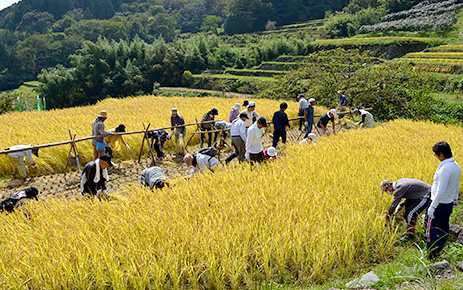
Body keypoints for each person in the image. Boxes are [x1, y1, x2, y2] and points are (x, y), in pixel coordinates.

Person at [425, 141, 461, 259]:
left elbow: (440, 190)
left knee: (432, 228)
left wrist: (432, 207)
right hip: (448, 203)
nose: (436, 157)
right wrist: (455, 199)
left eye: (436, 155)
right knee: (443, 225)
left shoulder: (445, 169)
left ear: (441, 154)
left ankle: (432, 253)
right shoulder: (456, 166)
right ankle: (441, 247)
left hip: (438, 203)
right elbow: (456, 184)